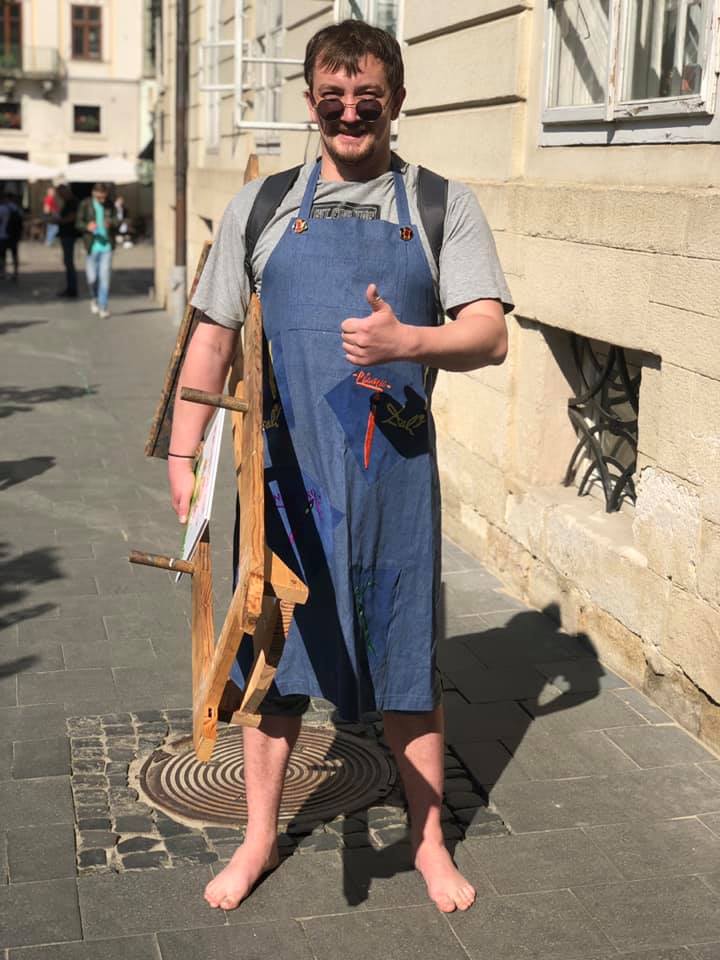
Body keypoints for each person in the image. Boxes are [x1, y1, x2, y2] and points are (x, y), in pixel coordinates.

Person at [168, 20, 512, 915]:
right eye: (333, 100)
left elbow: (489, 332)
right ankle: (257, 838)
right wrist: (182, 450)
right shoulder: (261, 206)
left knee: (407, 664)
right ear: (311, 102)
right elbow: (212, 338)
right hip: (285, 483)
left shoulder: (440, 205)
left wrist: (410, 341)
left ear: (397, 101)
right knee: (272, 667)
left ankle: (429, 843)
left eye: (368, 99)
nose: (350, 114)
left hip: (396, 479)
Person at [76, 182, 118, 318]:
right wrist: (87, 226)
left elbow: (117, 220)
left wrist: (111, 223)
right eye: (100, 197)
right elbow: (78, 223)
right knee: (92, 278)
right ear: (93, 193)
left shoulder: (110, 205)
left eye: (104, 197)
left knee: (104, 277)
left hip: (107, 246)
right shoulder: (85, 204)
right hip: (92, 246)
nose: (102, 200)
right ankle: (94, 298)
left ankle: (103, 306)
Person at [54, 183, 79, 298]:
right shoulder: (68, 202)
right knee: (67, 261)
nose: (60, 196)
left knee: (69, 262)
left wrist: (59, 221)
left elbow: (72, 217)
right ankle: (70, 287)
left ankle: (72, 289)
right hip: (66, 234)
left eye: (61, 193)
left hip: (69, 234)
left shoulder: (72, 202)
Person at [0, 190, 23, 282]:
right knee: (14, 254)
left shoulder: (2, 208)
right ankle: (15, 272)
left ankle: (3, 272)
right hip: (14, 235)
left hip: (2, 234)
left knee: (2, 255)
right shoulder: (16, 208)